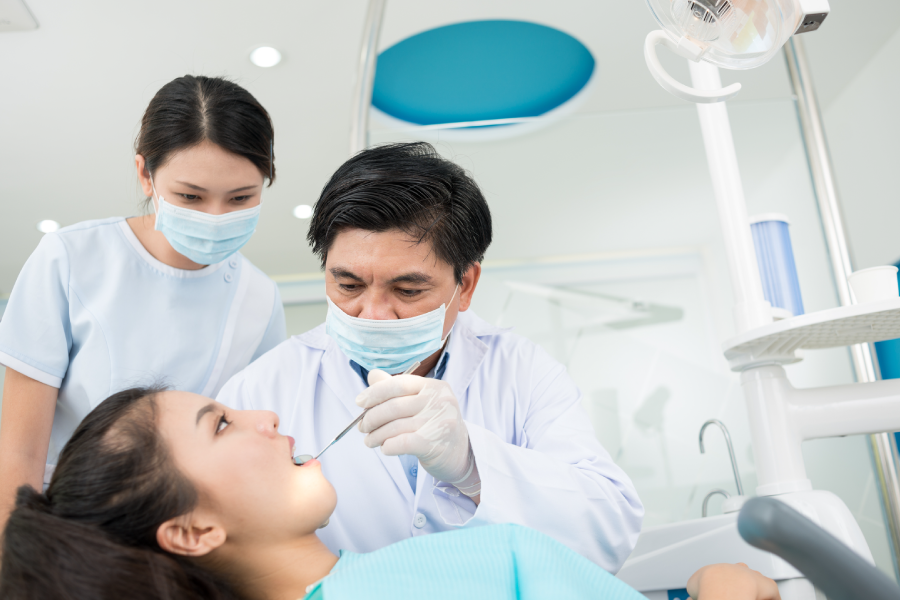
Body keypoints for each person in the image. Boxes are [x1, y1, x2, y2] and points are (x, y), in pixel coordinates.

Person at [216, 141, 642, 571]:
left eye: (408, 290)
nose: (375, 314)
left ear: (467, 285)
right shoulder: (263, 386)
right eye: (348, 285)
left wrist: (471, 464)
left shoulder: (522, 371)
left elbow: (611, 529)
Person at [0, 387, 781, 600]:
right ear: (193, 532)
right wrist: (721, 590)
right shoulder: (474, 566)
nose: (269, 417)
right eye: (223, 422)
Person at [0, 75, 287, 529]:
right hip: (67, 525)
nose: (215, 217)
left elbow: (252, 438)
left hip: (192, 530)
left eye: (241, 198)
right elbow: (19, 451)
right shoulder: (72, 258)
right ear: (144, 174)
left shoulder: (260, 297)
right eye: (190, 196)